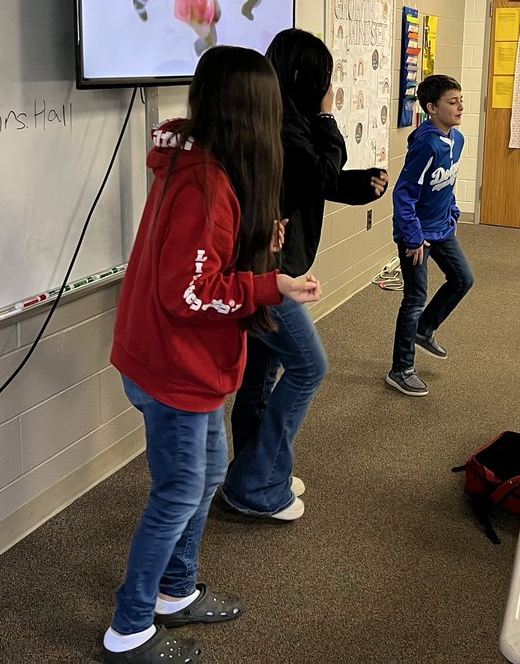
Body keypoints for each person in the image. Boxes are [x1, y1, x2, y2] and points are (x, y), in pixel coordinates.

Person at [100, 47, 322, 664]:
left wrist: (263, 257)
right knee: (177, 493)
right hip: (174, 368)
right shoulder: (204, 182)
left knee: (206, 478)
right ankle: (130, 629)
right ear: (253, 111)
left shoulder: (202, 165)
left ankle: (174, 590)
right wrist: (268, 284)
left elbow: (206, 267)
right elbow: (191, 292)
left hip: (177, 362)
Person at [224, 29, 387, 520]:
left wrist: (360, 186)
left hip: (268, 266)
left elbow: (311, 180)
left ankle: (254, 473)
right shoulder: (288, 125)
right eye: (324, 81)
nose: (328, 88)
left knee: (259, 377)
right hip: (268, 273)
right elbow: (317, 172)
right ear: (304, 80)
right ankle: (257, 481)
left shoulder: (279, 121)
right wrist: (328, 117)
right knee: (309, 367)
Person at [388, 74, 473, 397]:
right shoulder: (425, 144)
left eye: (460, 100)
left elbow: (445, 184)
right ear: (432, 108)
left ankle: (425, 330)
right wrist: (412, 237)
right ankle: (401, 368)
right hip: (417, 235)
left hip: (442, 227)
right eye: (453, 102)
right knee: (414, 298)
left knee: (463, 279)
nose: (460, 107)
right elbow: (404, 194)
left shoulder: (458, 139)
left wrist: (452, 211)